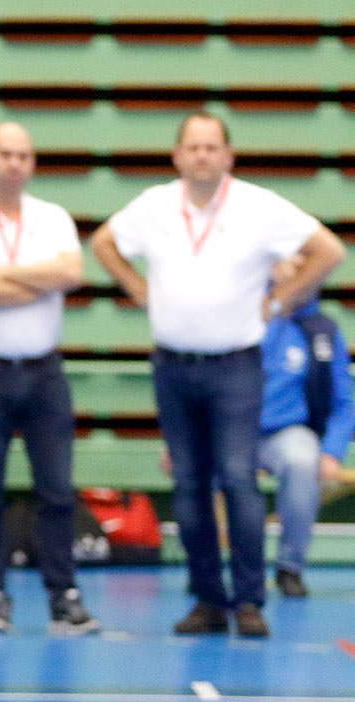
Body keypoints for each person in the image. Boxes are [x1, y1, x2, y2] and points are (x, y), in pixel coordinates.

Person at [91, 111, 345, 637]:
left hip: (235, 367)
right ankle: (208, 599)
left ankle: (249, 599)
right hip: (174, 364)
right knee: (188, 486)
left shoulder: (258, 206)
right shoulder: (156, 205)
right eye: (194, 147)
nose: (203, 155)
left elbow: (329, 250)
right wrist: (137, 290)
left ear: (228, 156)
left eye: (213, 147)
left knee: (237, 480)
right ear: (178, 156)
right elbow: (103, 243)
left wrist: (279, 300)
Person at [0, 123, 99, 634]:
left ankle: (63, 596)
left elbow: (71, 273)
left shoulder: (52, 218)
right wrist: (37, 276)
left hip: (44, 371)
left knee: (57, 490)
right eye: (6, 154)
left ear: (32, 163)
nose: (14, 163)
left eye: (24, 155)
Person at [257, 266, 352, 597]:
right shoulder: (243, 318)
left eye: (303, 267)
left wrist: (332, 450)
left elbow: (345, 401)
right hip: (233, 429)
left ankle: (290, 567)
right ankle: (209, 568)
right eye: (286, 266)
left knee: (303, 459)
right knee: (206, 461)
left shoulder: (322, 331)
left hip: (289, 431)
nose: (295, 274)